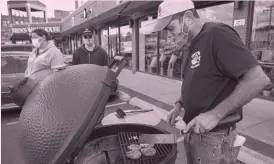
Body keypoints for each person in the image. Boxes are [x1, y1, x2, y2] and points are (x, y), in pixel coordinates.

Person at [150, 0, 271, 163]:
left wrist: (214, 115)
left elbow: (258, 79)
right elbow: (194, 82)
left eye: (171, 28)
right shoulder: (189, 44)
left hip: (215, 138)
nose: (169, 36)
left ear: (187, 18)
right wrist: (179, 104)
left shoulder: (218, 34)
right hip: (193, 130)